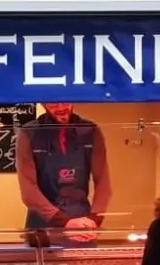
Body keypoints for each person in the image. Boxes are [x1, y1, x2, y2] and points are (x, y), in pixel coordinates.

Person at [16, 102, 114, 239]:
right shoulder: (29, 132)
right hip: (43, 222)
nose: (61, 107)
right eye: (54, 103)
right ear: (43, 104)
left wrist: (94, 219)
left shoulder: (90, 131)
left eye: (65, 101)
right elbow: (28, 191)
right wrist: (64, 222)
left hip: (83, 222)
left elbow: (103, 182)